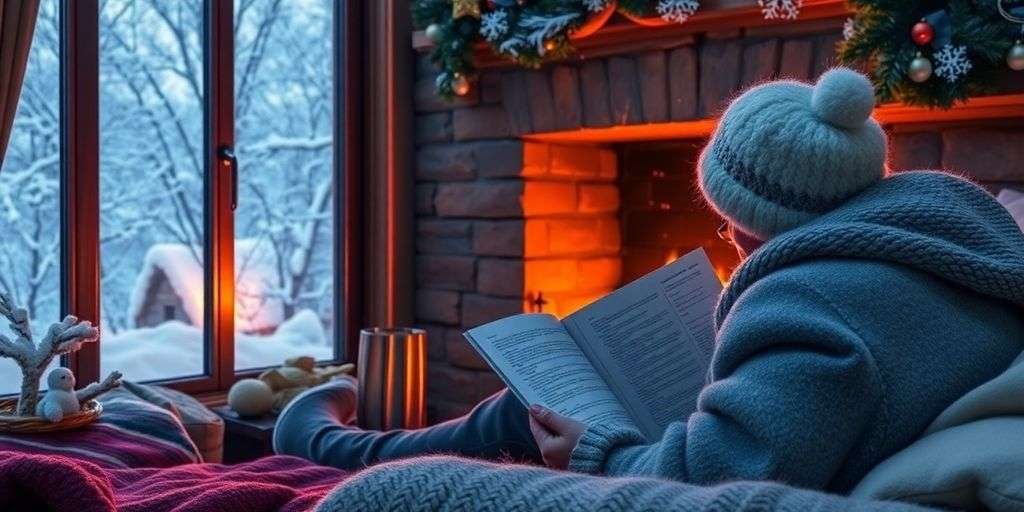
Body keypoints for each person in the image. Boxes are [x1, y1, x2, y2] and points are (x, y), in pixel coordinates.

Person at [274, 68, 1024, 493]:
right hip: (849, 424)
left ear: (749, 217)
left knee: (530, 414)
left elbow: (715, 474)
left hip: (741, 450)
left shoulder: (814, 305)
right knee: (531, 408)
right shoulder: (944, 238)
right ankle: (342, 444)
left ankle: (327, 450)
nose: (727, 234)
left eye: (729, 219)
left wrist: (598, 454)